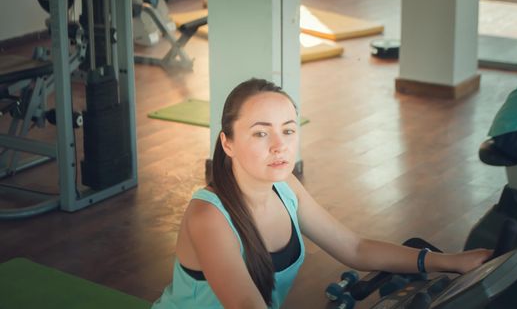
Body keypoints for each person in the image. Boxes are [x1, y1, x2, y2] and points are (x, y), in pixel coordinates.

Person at [152, 78, 492, 309]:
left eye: (288, 130)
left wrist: (446, 261)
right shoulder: (209, 216)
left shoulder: (286, 189)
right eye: (260, 134)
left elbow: (354, 248)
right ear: (227, 142)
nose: (279, 145)